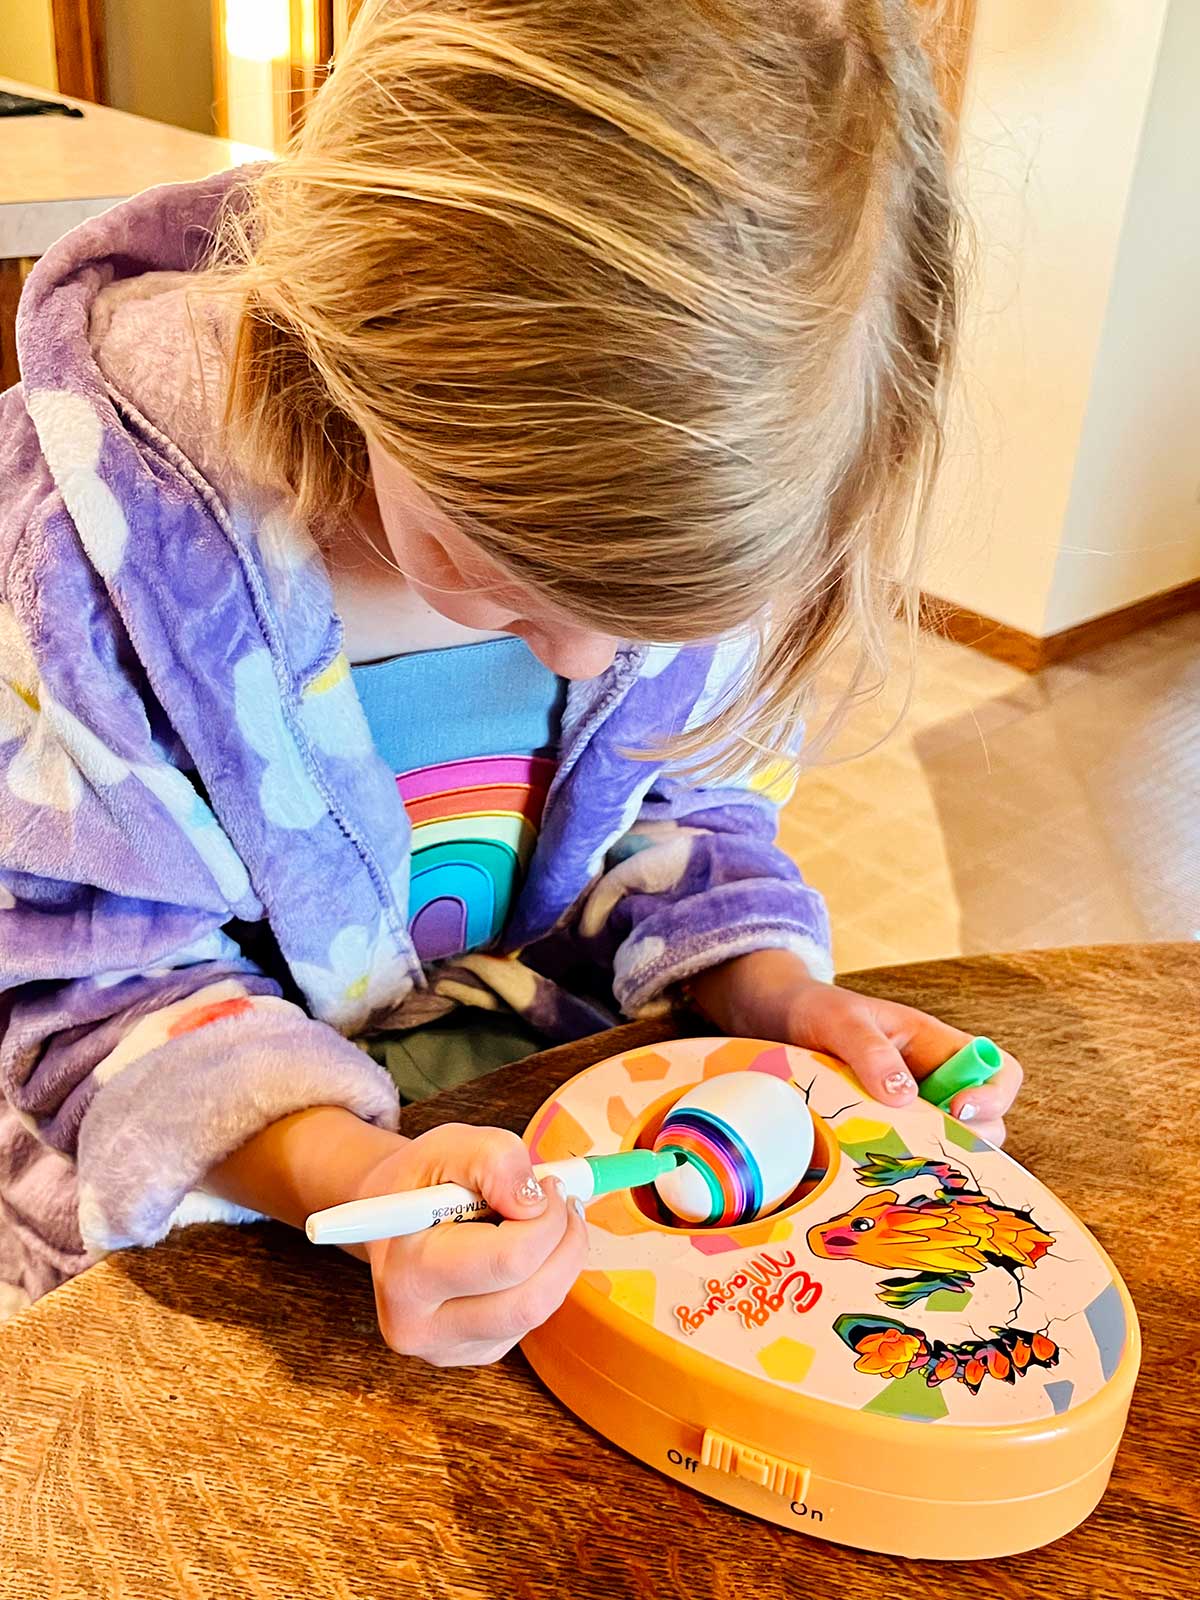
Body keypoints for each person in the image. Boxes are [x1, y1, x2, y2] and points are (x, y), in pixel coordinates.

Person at [0, 0, 1020, 1355]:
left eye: (646, 624)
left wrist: (773, 984)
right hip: (204, 1238)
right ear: (361, 335)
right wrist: (353, 1178)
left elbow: (674, 809)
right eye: (503, 577)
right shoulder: (85, 562)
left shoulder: (675, 504)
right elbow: (90, 995)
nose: (589, 662)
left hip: (510, 1159)